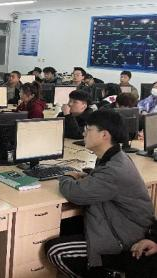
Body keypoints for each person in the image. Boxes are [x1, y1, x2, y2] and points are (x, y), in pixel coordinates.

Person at [45, 110, 154, 277]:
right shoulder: (115, 156)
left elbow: (75, 193)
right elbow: (103, 182)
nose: (83, 133)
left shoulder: (114, 169)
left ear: (104, 135)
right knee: (66, 226)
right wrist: (90, 176)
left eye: (88, 130)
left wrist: (66, 176)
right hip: (121, 225)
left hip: (123, 239)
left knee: (55, 250)